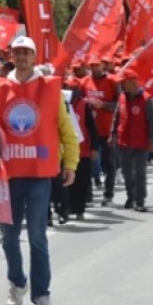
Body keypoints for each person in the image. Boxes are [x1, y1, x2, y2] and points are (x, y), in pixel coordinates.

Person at [0, 36, 77, 305]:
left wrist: (70, 162)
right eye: (17, 52)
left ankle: (42, 295)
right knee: (9, 238)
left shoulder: (50, 89)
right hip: (8, 176)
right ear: (11, 56)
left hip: (38, 176)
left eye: (26, 52)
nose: (21, 56)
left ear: (34, 57)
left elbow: (65, 129)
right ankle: (17, 282)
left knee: (37, 237)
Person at [114, 69, 153, 211]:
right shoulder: (122, 98)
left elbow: (152, 122)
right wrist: (111, 134)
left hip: (140, 141)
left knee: (139, 172)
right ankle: (130, 196)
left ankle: (140, 200)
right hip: (124, 141)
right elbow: (117, 117)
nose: (122, 86)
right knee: (126, 171)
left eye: (124, 83)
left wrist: (152, 140)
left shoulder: (146, 99)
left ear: (132, 82)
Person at [84, 59, 119, 204]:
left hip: (107, 129)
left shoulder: (112, 81)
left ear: (103, 65)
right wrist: (88, 103)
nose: (94, 68)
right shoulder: (84, 82)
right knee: (87, 162)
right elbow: (79, 101)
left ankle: (108, 194)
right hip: (90, 130)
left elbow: (119, 103)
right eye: (91, 65)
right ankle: (87, 195)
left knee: (108, 163)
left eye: (96, 65)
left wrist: (103, 105)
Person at [62, 61, 92, 221]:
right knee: (66, 182)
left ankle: (79, 208)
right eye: (68, 88)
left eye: (73, 88)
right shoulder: (60, 104)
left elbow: (91, 127)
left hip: (83, 150)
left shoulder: (84, 104)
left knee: (81, 181)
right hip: (64, 150)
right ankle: (67, 209)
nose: (70, 91)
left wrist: (94, 148)